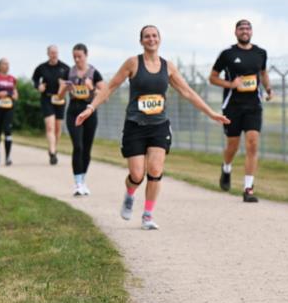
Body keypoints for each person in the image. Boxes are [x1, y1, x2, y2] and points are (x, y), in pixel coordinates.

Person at [75, 25, 229, 230]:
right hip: (135, 126)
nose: (151, 39)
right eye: (147, 36)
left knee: (155, 170)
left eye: (154, 35)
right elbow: (111, 87)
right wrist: (90, 107)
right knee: (137, 175)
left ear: (160, 39)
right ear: (141, 41)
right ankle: (130, 195)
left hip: (159, 126)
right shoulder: (132, 63)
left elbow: (188, 93)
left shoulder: (169, 67)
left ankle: (147, 215)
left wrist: (211, 113)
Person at [209, 19, 272, 202]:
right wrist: (230, 84)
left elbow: (263, 73)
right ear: (235, 32)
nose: (245, 31)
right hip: (232, 106)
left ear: (251, 32)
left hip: (253, 106)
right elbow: (212, 78)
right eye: (241, 28)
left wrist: (269, 89)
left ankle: (248, 189)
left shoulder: (261, 53)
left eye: (248, 28)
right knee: (233, 146)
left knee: (252, 143)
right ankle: (226, 168)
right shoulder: (228, 54)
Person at [58, 43, 105, 196]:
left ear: (86, 55)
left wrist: (91, 88)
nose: (77, 60)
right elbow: (59, 96)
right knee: (77, 146)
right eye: (74, 57)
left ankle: (83, 180)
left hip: (89, 112)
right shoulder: (68, 72)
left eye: (80, 56)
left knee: (86, 148)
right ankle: (77, 183)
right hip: (73, 112)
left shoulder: (94, 73)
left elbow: (105, 94)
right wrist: (65, 88)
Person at [32, 45, 71, 165]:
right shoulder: (42, 67)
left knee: (58, 128)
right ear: (48, 53)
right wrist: (39, 86)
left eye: (56, 52)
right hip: (47, 99)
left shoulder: (65, 68)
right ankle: (53, 153)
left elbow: (71, 83)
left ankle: (53, 148)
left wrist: (64, 85)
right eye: (52, 52)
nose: (54, 55)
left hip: (60, 99)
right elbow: (35, 79)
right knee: (50, 126)